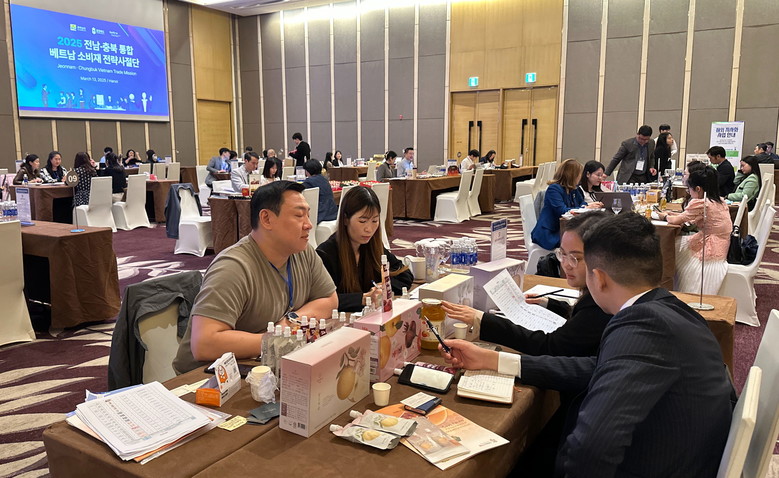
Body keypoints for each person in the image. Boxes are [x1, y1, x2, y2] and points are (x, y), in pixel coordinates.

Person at [440, 213, 734, 478]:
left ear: (599, 278)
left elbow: (591, 446)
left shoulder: (642, 326)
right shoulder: (669, 308)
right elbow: (599, 368)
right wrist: (492, 360)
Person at [443, 211, 612, 475]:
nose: (566, 265)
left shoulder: (602, 305)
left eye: (576, 258)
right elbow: (581, 322)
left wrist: (484, 323)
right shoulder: (602, 298)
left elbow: (552, 347)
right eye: (562, 255)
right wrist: (550, 303)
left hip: (583, 419)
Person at [173, 181, 338, 374]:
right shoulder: (233, 267)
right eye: (299, 215)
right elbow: (204, 344)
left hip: (261, 364)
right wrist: (278, 338)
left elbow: (329, 299)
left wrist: (289, 323)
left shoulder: (302, 251)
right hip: (207, 376)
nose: (309, 224)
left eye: (308, 215)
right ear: (266, 219)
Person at [316, 186, 412, 312]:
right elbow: (321, 299)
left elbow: (404, 275)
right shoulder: (326, 254)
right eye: (362, 221)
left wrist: (382, 286)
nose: (369, 229)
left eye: (374, 221)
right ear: (345, 219)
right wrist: (362, 298)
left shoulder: (372, 246)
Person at [657, 167, 731, 294]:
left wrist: (664, 216)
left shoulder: (701, 203)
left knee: (668, 247)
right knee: (675, 244)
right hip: (721, 243)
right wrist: (675, 215)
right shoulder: (720, 201)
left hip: (710, 248)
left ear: (698, 189)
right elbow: (688, 218)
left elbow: (675, 221)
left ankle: (665, 284)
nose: (689, 192)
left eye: (689, 189)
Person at [531, 159, 597, 250]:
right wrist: (586, 207)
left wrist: (585, 206)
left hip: (565, 229)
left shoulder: (573, 189)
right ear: (572, 175)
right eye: (579, 174)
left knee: (590, 238)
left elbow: (582, 202)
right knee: (584, 241)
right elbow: (562, 211)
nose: (580, 177)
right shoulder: (554, 189)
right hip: (550, 233)